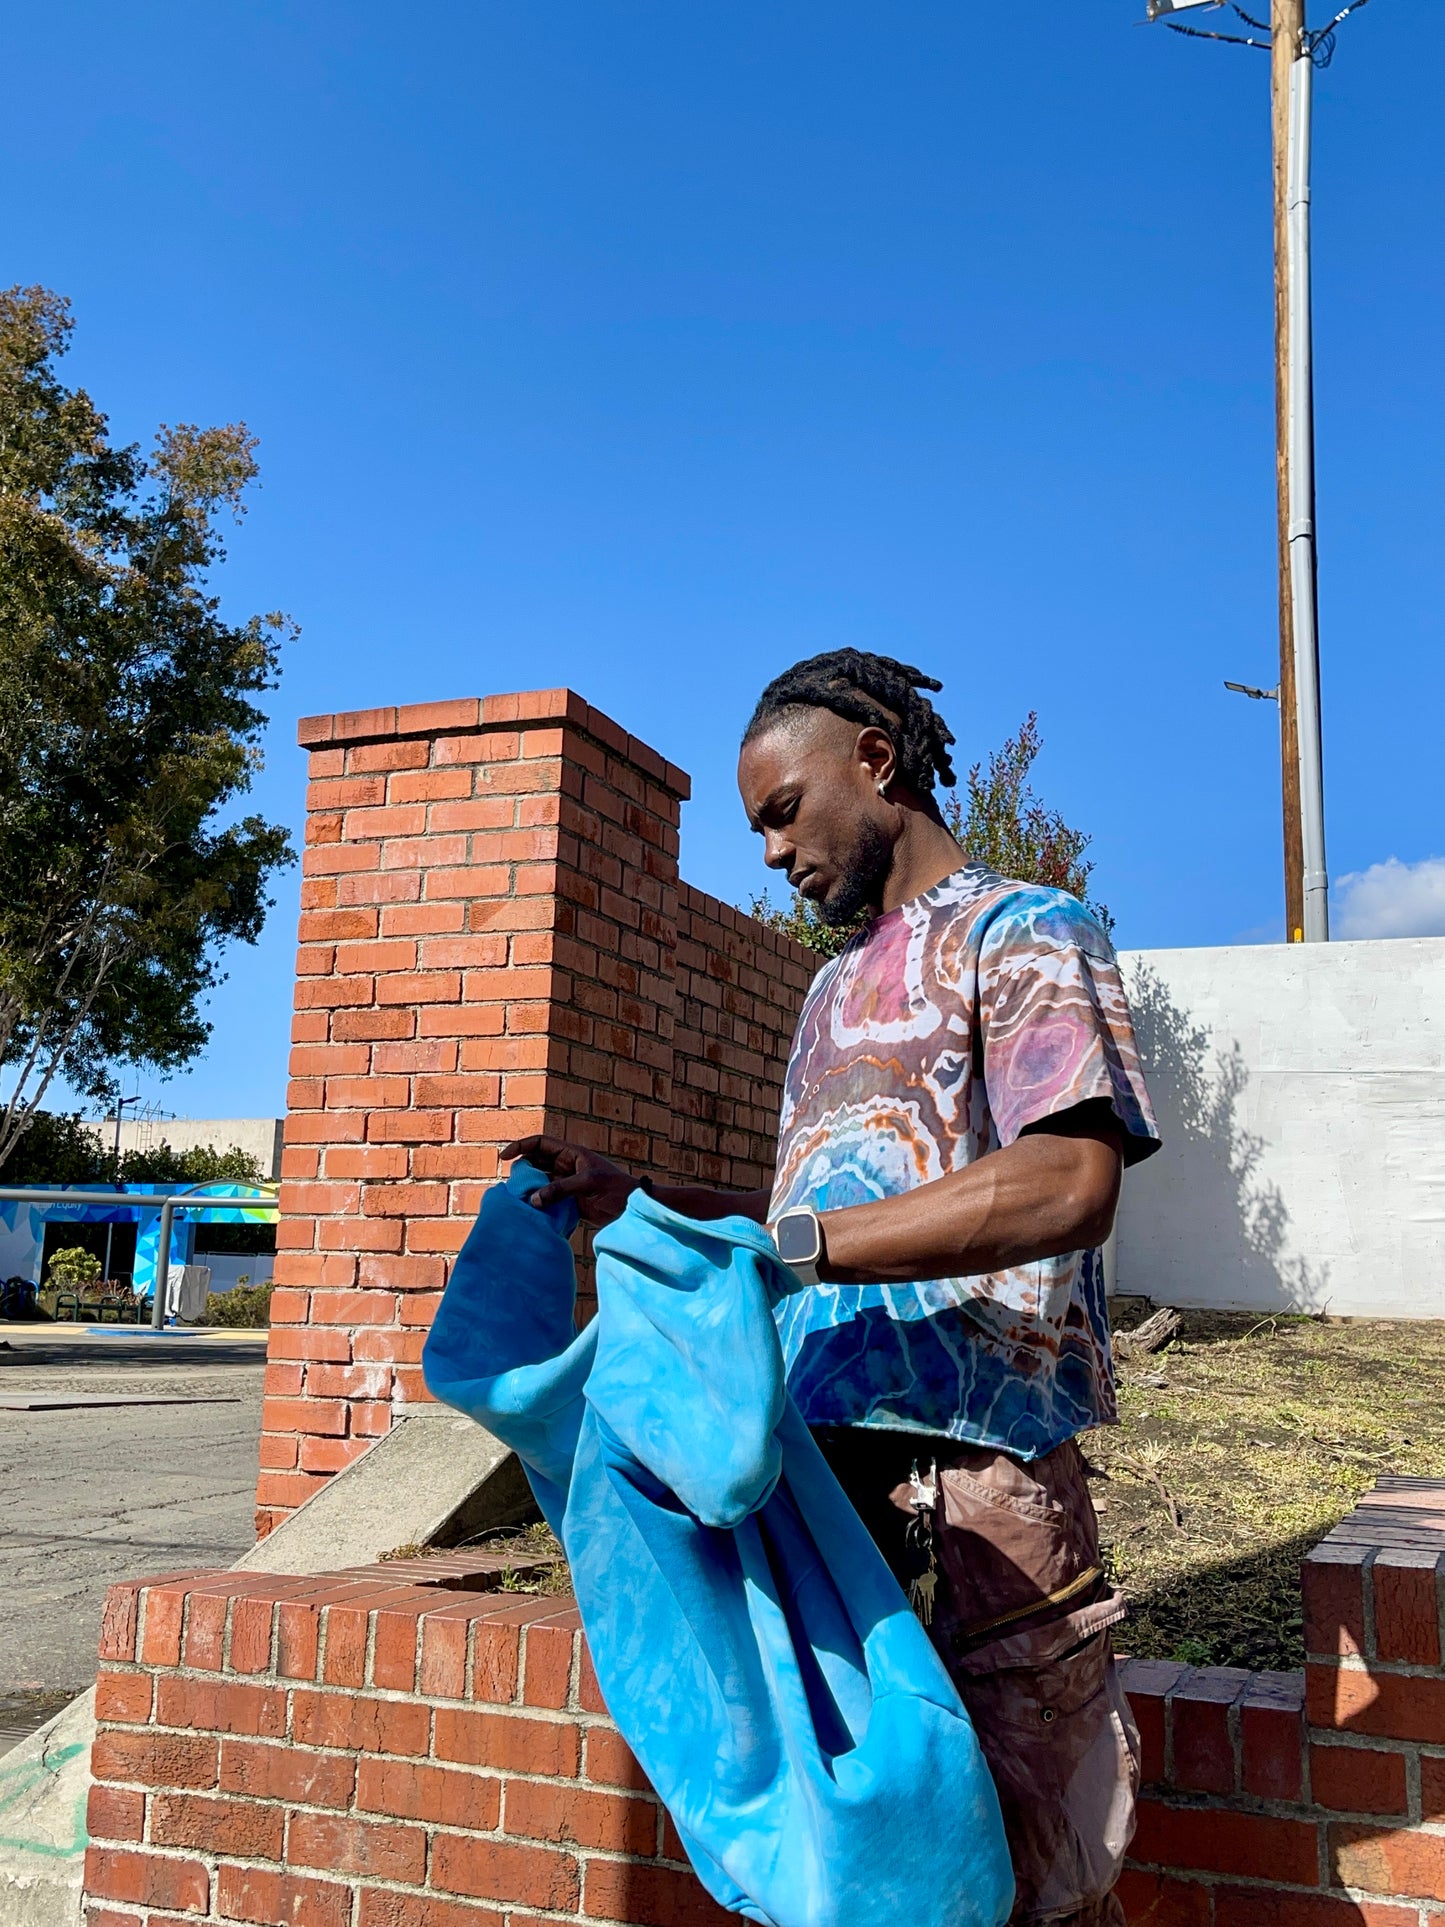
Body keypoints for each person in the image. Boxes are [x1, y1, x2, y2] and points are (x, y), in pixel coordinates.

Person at [504, 649, 1160, 1927]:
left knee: (1036, 1882)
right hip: (821, 1488)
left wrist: (801, 1248)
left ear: (874, 757)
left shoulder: (1024, 930)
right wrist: (634, 1194)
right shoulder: (821, 992)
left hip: (982, 1488)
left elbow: (1067, 1179)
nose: (767, 852)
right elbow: (797, 1224)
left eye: (780, 811)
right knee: (862, 1874)